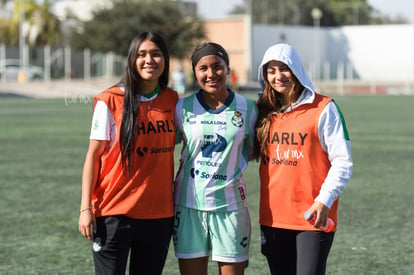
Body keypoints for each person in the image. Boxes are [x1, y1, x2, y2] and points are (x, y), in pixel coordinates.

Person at [78, 32, 178, 275]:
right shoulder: (110, 100)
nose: (149, 60)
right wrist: (85, 208)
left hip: (159, 216)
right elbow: (93, 156)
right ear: (132, 59)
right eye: (142, 54)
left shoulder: (172, 100)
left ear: (165, 60)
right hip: (113, 214)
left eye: (156, 54)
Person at [255, 43, 353, 275]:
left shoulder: (324, 108)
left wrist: (324, 200)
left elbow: (343, 161)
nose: (278, 76)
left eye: (284, 68)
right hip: (273, 218)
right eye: (271, 71)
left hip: (313, 216)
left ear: (296, 68)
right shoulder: (262, 111)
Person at [173, 42, 258, 275]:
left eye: (217, 66)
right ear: (195, 73)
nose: (211, 74)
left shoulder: (249, 108)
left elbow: (255, 150)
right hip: (189, 205)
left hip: (230, 208)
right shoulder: (182, 108)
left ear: (228, 69)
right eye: (203, 68)